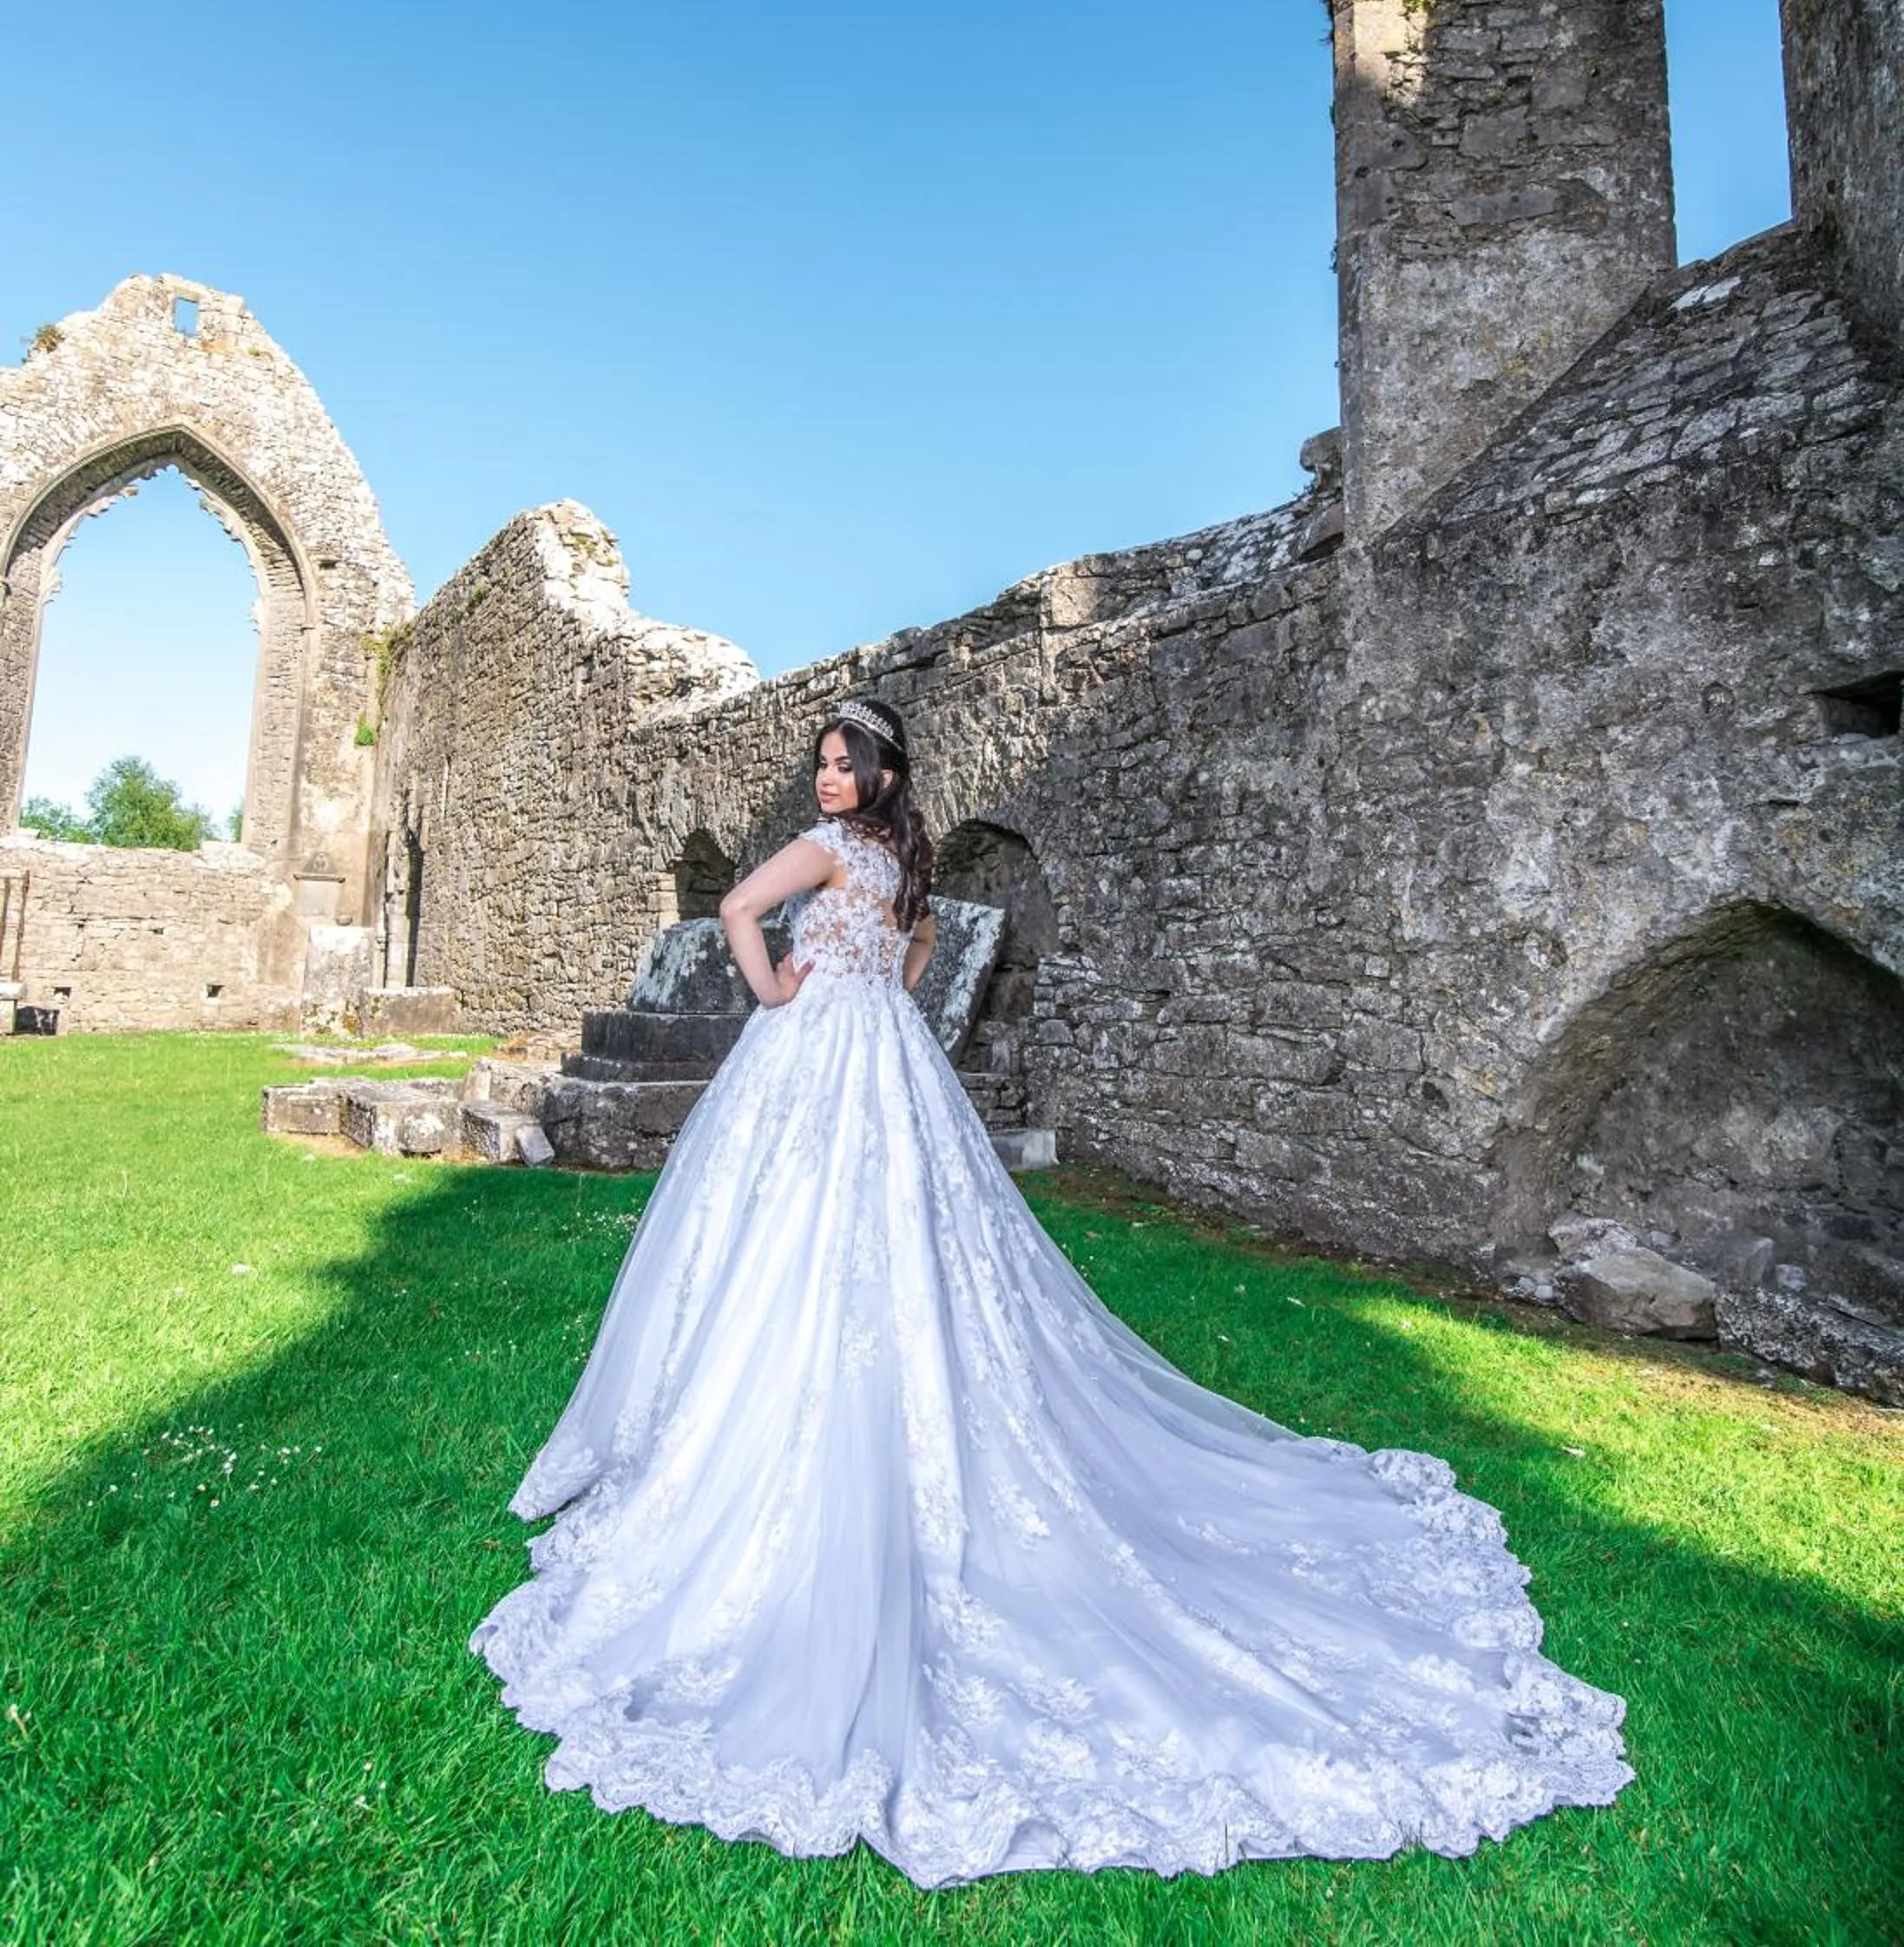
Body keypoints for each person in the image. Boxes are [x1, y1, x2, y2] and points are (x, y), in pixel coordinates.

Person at [469, 697, 1630, 1887]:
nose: (825, 779)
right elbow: (915, 966)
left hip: (811, 1046)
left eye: (841, 763)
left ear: (877, 774)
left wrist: (773, 990)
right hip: (884, 1055)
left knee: (785, 1230)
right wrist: (868, 987)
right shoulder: (907, 868)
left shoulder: (831, 854)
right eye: (818, 765)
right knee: (898, 1234)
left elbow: (731, 908)